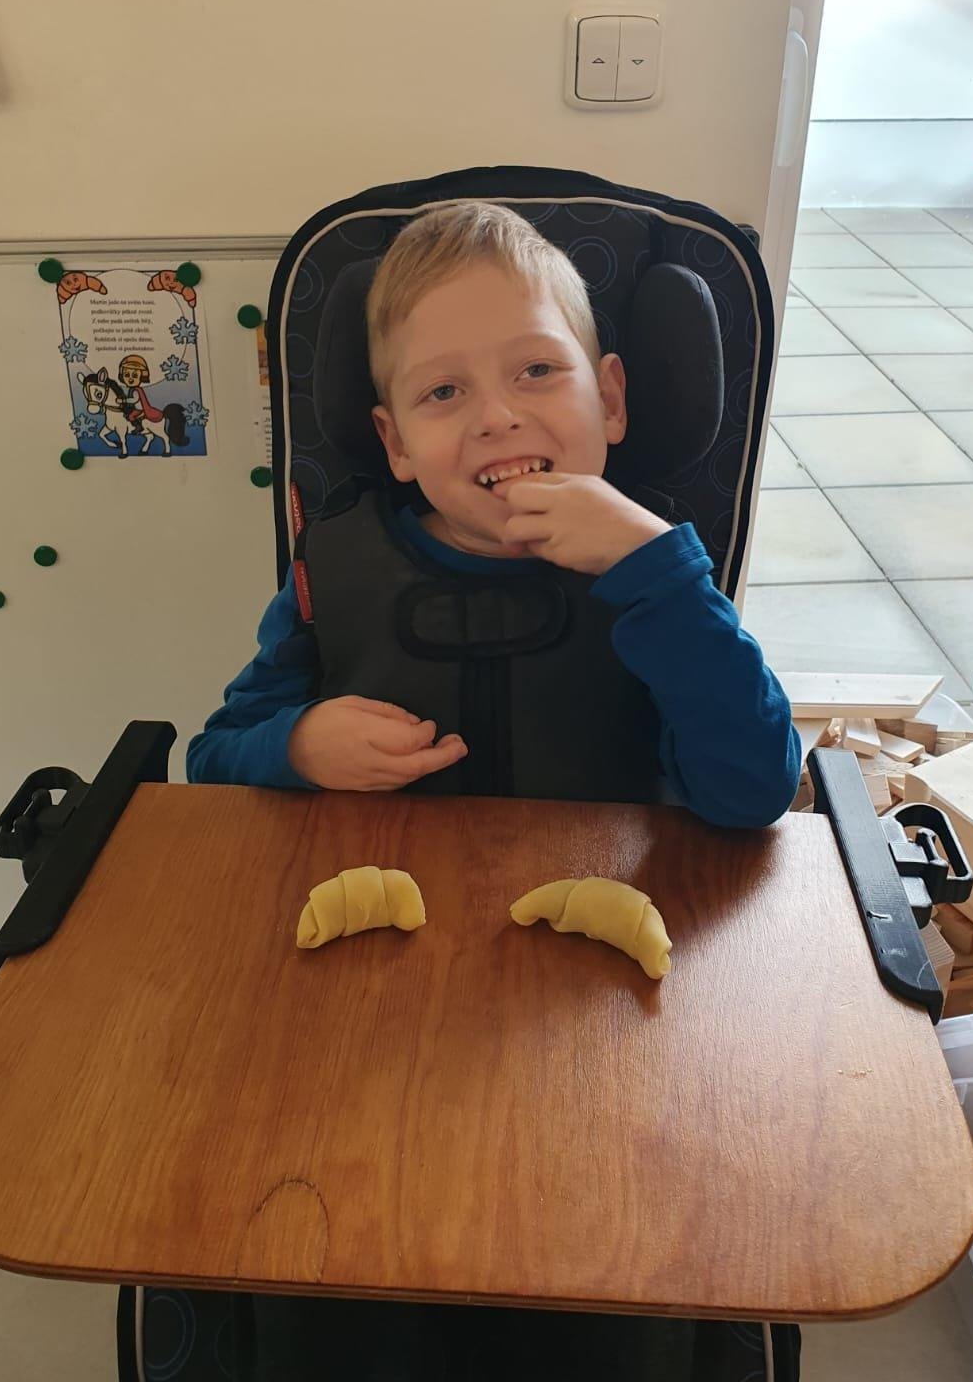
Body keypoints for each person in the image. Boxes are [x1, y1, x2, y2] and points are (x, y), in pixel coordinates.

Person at [188, 202, 801, 1381]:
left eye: (536, 370)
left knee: (604, 1302)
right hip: (366, 1026)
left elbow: (749, 791)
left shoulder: (662, 580)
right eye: (443, 392)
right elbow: (212, 761)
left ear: (610, 398)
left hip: (605, 1028)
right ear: (394, 440)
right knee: (337, 1292)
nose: (498, 415)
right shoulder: (333, 579)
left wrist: (660, 579)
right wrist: (296, 744)